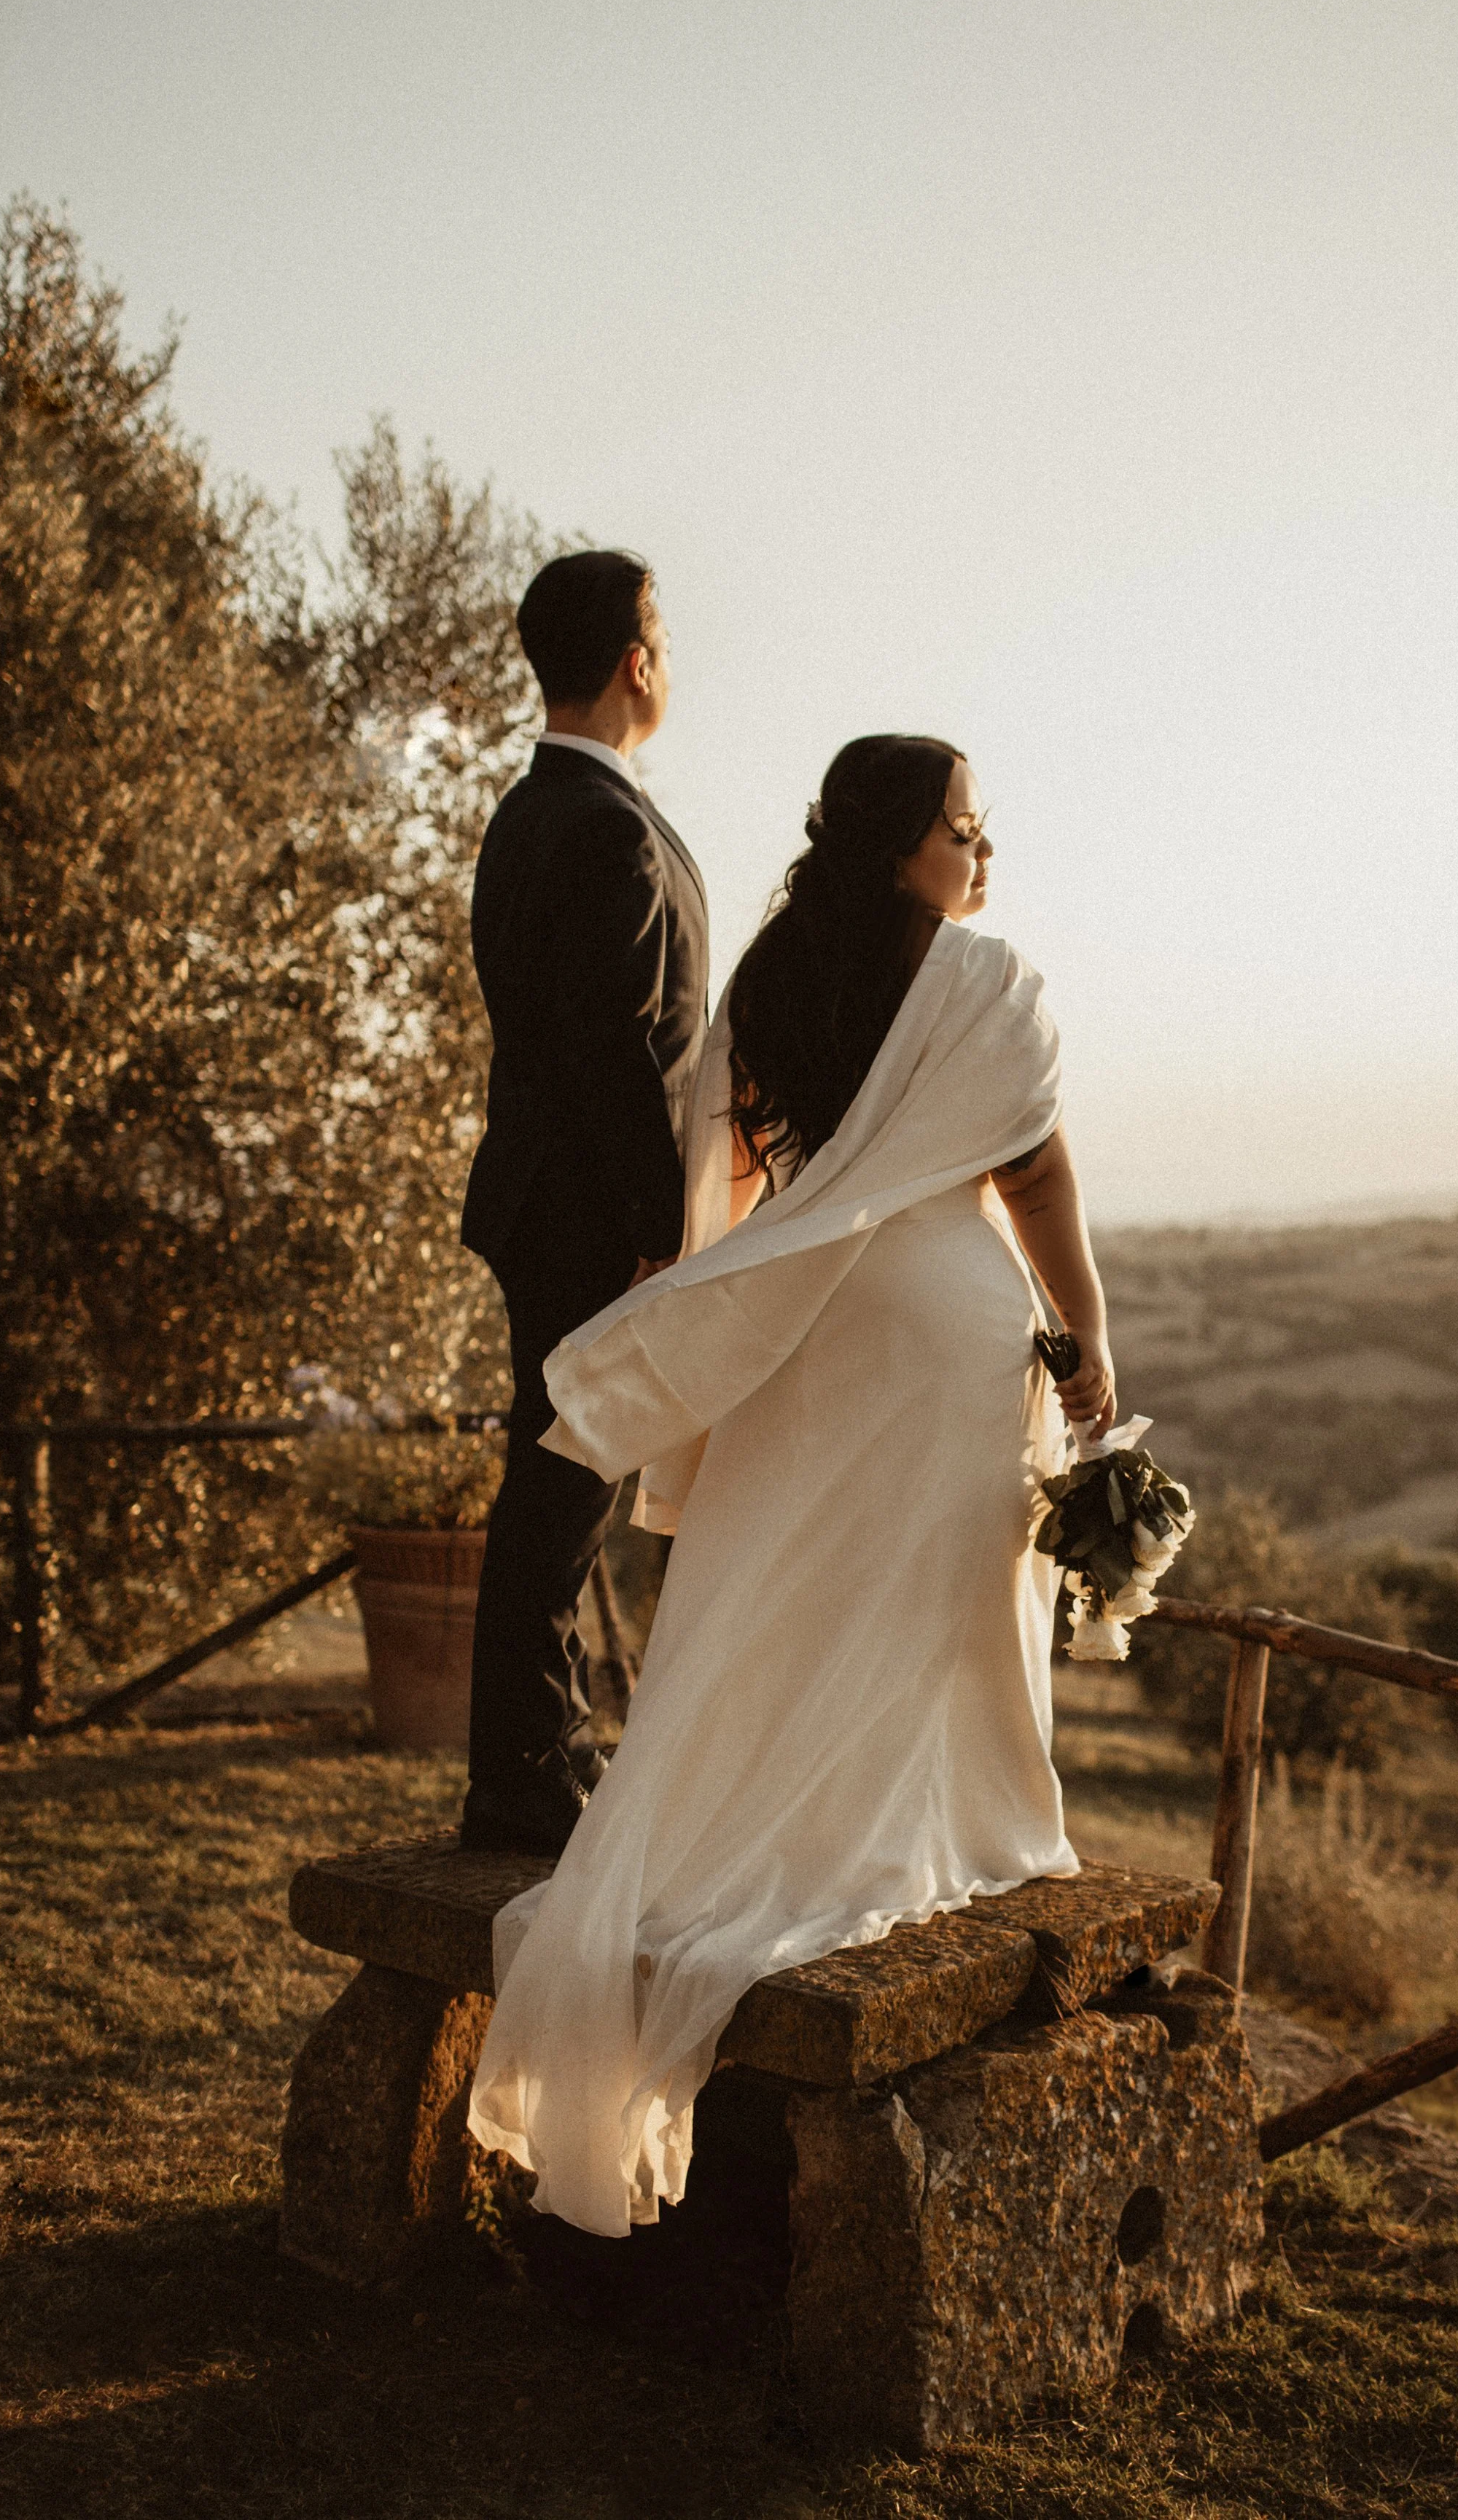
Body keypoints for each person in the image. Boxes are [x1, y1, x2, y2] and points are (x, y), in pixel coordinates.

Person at [467, 735, 1117, 2232]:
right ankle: (955, 1818)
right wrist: (1084, 1335)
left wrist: (748, 1298)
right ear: (904, 846)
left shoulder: (768, 971)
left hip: (806, 1325)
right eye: (965, 827)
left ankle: (765, 1826)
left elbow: (741, 1186)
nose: (982, 855)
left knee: (782, 1593)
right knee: (945, 1592)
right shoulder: (983, 981)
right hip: (949, 1321)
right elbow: (1035, 1179)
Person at [458, 551, 708, 1854]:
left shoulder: (524, 813)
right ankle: (521, 1773)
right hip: (582, 1211)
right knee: (562, 1485)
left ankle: (536, 1752)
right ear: (635, 661)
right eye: (665, 636)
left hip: (544, 1198)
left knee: (557, 1479)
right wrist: (659, 1228)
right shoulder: (605, 825)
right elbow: (615, 1050)